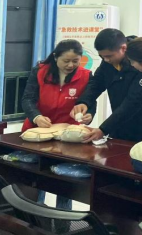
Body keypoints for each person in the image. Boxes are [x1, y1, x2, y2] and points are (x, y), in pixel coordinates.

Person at [21, 39, 91, 210]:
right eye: (66, 61)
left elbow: (89, 101)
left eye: (75, 61)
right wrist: (36, 116)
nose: (70, 65)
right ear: (55, 57)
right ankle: (35, 216)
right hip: (39, 130)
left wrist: (89, 115)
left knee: (64, 182)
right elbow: (27, 99)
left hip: (67, 135)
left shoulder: (86, 75)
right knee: (36, 177)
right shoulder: (40, 71)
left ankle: (63, 220)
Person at [70, 29, 142, 142]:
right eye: (102, 56)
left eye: (109, 56)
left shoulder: (141, 61)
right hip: (118, 126)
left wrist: (103, 129)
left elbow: (133, 102)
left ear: (123, 48)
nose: (106, 60)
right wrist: (84, 102)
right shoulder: (108, 60)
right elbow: (96, 83)